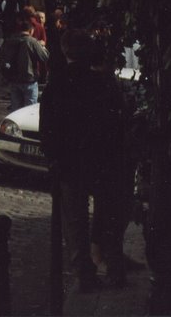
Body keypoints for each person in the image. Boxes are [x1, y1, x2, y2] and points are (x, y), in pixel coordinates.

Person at [39, 28, 127, 293]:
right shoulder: (101, 83)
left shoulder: (57, 84)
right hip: (99, 159)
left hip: (70, 162)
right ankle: (114, 267)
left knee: (75, 221)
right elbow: (114, 123)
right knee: (106, 215)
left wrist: (54, 157)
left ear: (66, 52)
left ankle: (84, 274)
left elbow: (48, 127)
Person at [1, 14, 49, 111]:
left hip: (14, 79)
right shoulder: (32, 42)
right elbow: (45, 57)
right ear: (31, 31)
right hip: (29, 79)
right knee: (30, 110)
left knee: (16, 110)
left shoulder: (10, 40)